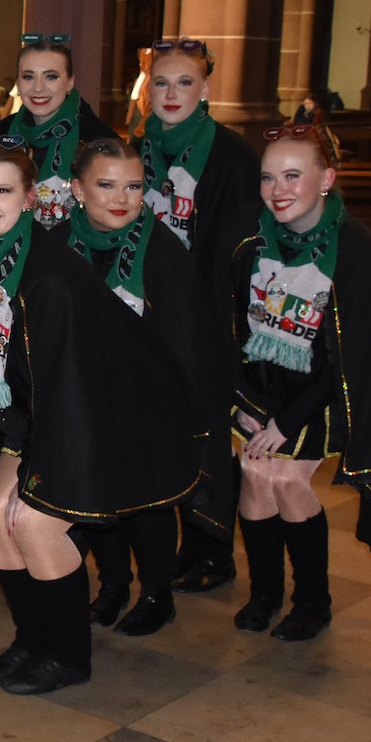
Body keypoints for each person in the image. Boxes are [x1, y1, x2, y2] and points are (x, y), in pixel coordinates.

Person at [0, 136, 202, 695]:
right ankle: (32, 639)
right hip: (39, 414)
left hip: (108, 418)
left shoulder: (49, 278)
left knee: (32, 521)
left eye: (2, 191)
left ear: (29, 199)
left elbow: (69, 392)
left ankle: (69, 655)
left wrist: (35, 481)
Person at [219, 125, 371, 640]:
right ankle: (264, 594)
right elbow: (223, 322)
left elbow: (353, 359)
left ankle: (312, 602)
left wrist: (286, 422)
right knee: (253, 473)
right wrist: (242, 399)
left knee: (286, 479)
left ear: (326, 179)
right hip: (257, 386)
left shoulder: (359, 252)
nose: (277, 190)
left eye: (292, 176)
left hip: (320, 394)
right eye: (268, 177)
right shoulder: (245, 235)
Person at [63, 138, 228, 636]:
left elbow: (185, 348)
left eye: (133, 186)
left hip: (147, 405)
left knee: (145, 504)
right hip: (81, 400)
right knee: (97, 502)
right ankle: (114, 583)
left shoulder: (163, 251)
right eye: (106, 185)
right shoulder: (57, 242)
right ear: (78, 190)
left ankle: (158, 594)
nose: (121, 198)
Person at [137, 38, 260, 595]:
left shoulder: (232, 156)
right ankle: (184, 544)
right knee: (167, 431)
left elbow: (246, 249)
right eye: (161, 83)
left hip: (209, 317)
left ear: (205, 87)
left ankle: (214, 548)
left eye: (184, 82)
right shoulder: (139, 150)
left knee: (209, 432)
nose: (171, 93)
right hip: (150, 313)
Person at [0, 33, 116, 229]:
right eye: (28, 77)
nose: (38, 88)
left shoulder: (100, 142)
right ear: (17, 84)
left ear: (70, 83)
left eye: (51, 77)